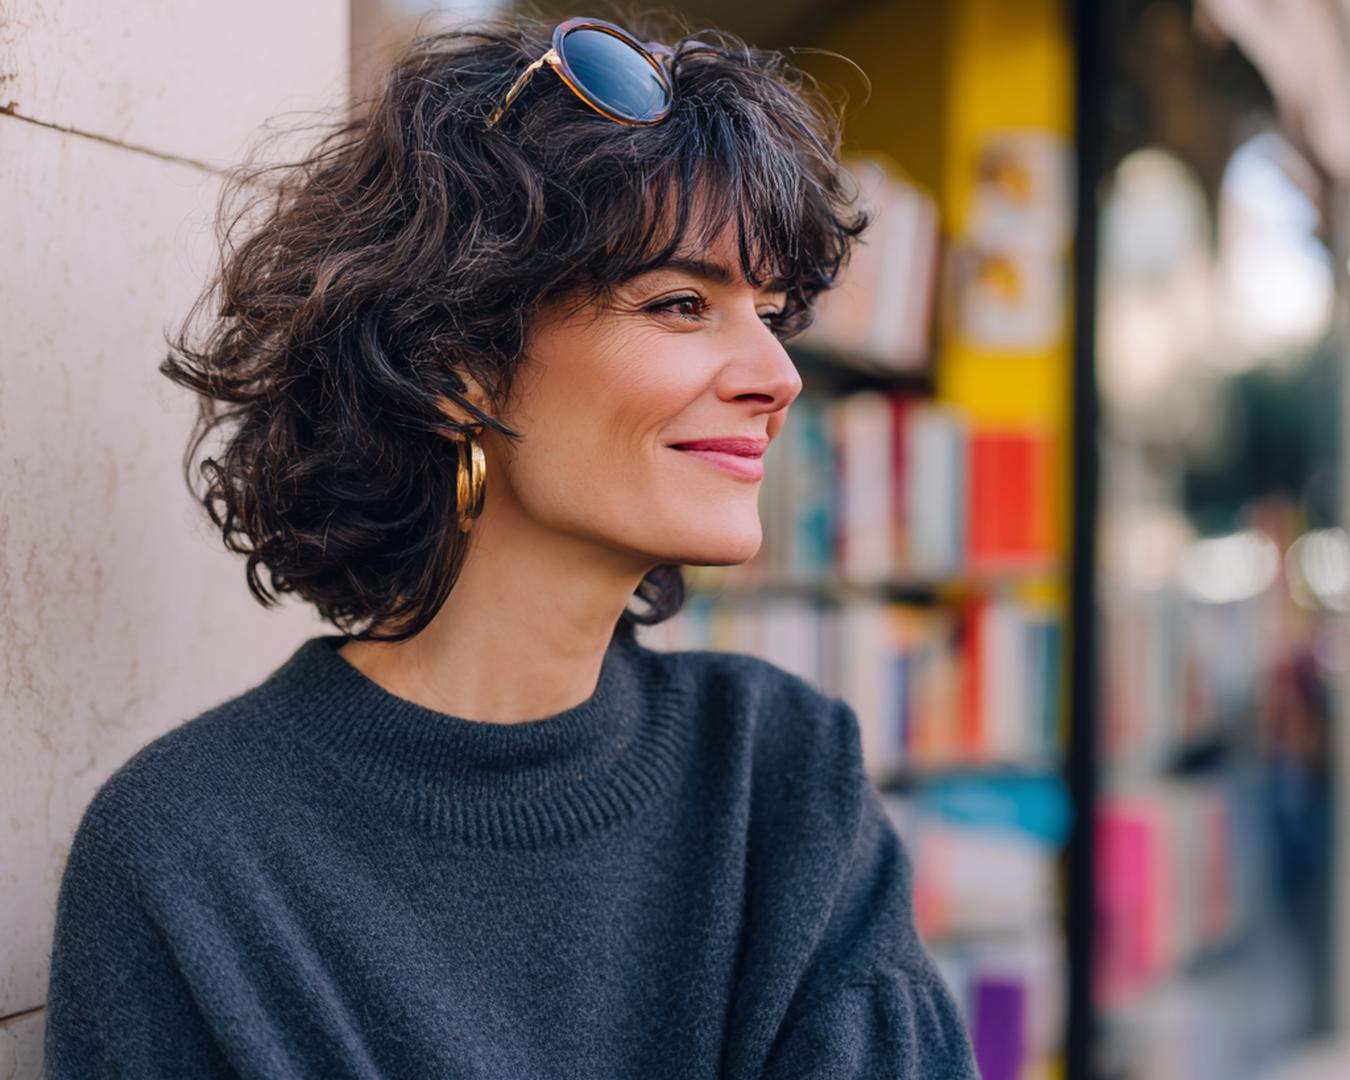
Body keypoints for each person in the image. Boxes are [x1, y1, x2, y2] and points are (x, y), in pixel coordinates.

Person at [43, 13, 980, 1079]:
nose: (779, 376)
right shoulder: (191, 857)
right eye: (682, 303)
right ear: (457, 364)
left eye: (769, 312)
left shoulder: (785, 780)